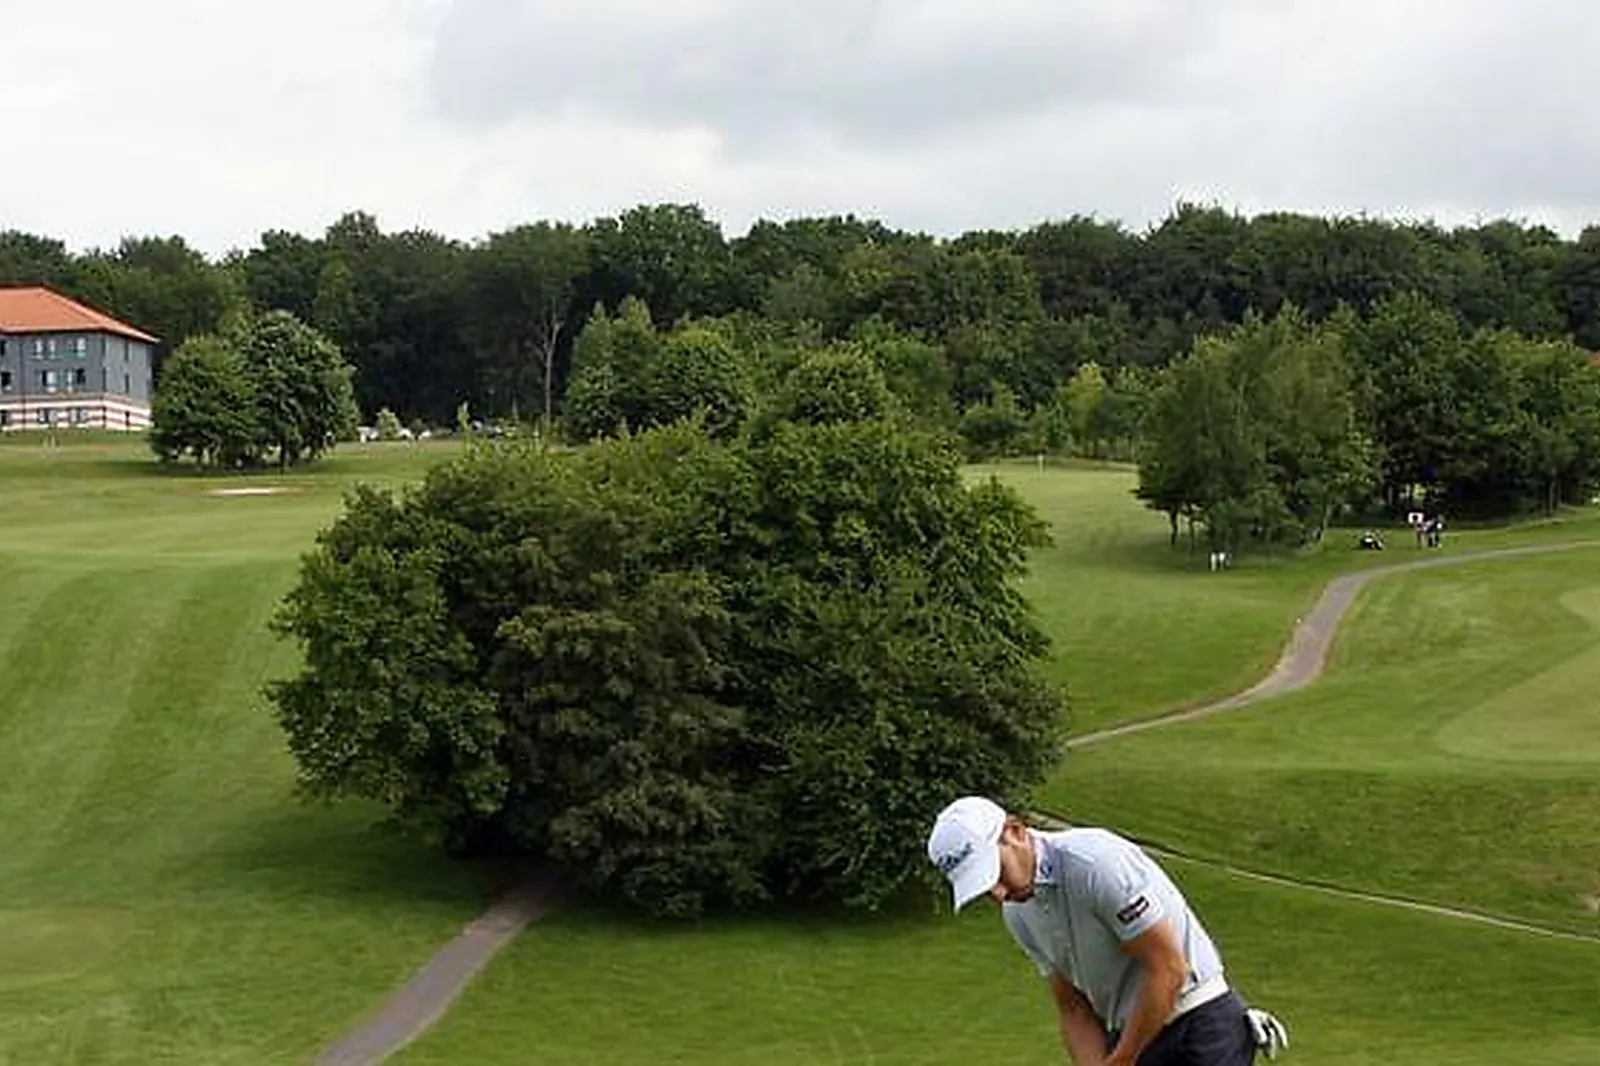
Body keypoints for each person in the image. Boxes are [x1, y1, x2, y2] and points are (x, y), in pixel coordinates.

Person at [927, 796, 1289, 1065]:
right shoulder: (1018, 914)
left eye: (995, 873)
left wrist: (1122, 1059)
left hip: (1199, 1022)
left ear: (1016, 832)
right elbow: (1073, 1009)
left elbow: (1167, 969)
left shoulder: (1095, 863)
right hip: (1135, 1038)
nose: (998, 893)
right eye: (982, 887)